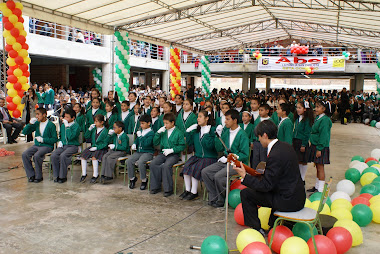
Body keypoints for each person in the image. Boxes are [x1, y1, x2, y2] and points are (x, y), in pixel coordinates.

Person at [235, 120, 306, 235]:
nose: (258, 140)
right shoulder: (286, 147)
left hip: (288, 201)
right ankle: (272, 224)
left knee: (246, 194)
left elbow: (266, 186)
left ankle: (256, 230)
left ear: (265, 135)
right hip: (297, 196)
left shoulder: (275, 154)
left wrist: (245, 176)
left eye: (259, 136)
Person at [202, 109, 250, 207]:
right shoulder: (226, 132)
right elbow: (219, 148)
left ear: (235, 120)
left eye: (228, 119)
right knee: (205, 172)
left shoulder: (242, 135)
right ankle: (214, 197)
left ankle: (221, 200)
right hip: (226, 160)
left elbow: (245, 154)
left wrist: (231, 158)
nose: (225, 122)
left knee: (219, 176)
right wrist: (217, 137)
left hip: (238, 164)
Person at [180, 111, 218, 201]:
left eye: (200, 116)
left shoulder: (212, 130)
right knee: (186, 167)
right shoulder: (197, 131)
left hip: (209, 157)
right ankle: (187, 190)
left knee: (195, 168)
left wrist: (207, 134)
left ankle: (194, 192)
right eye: (198, 117)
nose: (198, 118)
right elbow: (190, 143)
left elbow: (211, 146)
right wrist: (188, 132)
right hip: (198, 156)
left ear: (207, 118)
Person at [150, 113, 186, 197]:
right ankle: (156, 186)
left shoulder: (178, 132)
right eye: (164, 123)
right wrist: (158, 133)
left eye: (167, 123)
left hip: (174, 155)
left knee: (166, 166)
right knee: (153, 163)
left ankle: (168, 189)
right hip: (163, 153)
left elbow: (182, 146)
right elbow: (155, 143)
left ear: (172, 123)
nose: (165, 125)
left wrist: (172, 150)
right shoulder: (163, 131)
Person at [22, 107, 58, 182]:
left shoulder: (51, 125)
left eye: (38, 114)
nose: (36, 116)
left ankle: (39, 176)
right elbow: (24, 132)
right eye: (36, 114)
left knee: (37, 156)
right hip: (37, 145)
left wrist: (43, 139)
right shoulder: (37, 123)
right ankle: (31, 175)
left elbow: (54, 139)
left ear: (44, 115)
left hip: (47, 146)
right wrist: (30, 124)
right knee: (25, 154)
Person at [308, 101, 332, 193]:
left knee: (320, 167)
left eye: (318, 107)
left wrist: (319, 148)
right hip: (315, 145)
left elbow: (323, 135)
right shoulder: (318, 118)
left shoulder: (325, 120)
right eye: (315, 107)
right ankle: (317, 186)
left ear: (324, 109)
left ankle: (321, 190)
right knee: (317, 166)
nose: (316, 109)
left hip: (320, 147)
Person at [51, 109, 80, 183]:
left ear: (73, 118)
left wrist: (67, 126)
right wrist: (60, 141)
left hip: (73, 146)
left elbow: (70, 137)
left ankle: (62, 176)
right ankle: (56, 175)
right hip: (64, 145)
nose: (65, 119)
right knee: (54, 155)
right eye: (64, 117)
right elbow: (61, 135)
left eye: (67, 117)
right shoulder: (63, 125)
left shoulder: (76, 126)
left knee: (63, 156)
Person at [127, 114, 155, 190]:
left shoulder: (151, 133)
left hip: (148, 152)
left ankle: (144, 180)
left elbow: (147, 144)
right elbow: (137, 140)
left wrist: (140, 137)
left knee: (140, 162)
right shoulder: (141, 131)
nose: (141, 125)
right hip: (139, 152)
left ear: (149, 123)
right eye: (140, 123)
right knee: (129, 161)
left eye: (143, 123)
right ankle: (132, 178)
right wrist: (134, 143)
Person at [80, 114, 110, 184]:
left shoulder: (105, 131)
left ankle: (95, 175)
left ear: (102, 122)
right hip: (93, 146)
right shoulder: (94, 129)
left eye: (97, 121)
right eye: (95, 121)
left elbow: (105, 143)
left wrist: (97, 147)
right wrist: (89, 129)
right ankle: (84, 174)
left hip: (101, 148)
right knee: (83, 156)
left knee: (94, 157)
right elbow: (86, 136)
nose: (95, 123)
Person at [293, 101, 314, 183]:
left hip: (301, 142)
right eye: (297, 108)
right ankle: (298, 177)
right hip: (295, 141)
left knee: (303, 161)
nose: (297, 109)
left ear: (305, 109)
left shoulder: (307, 120)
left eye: (299, 108)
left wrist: (303, 144)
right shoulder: (297, 118)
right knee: (298, 160)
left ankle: (302, 178)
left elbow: (307, 133)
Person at [251, 104, 272, 168]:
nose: (260, 112)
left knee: (263, 158)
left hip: (265, 143)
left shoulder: (270, 120)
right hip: (257, 142)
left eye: (262, 110)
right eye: (259, 110)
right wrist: (252, 141)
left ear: (267, 111)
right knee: (255, 158)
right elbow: (253, 131)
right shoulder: (257, 120)